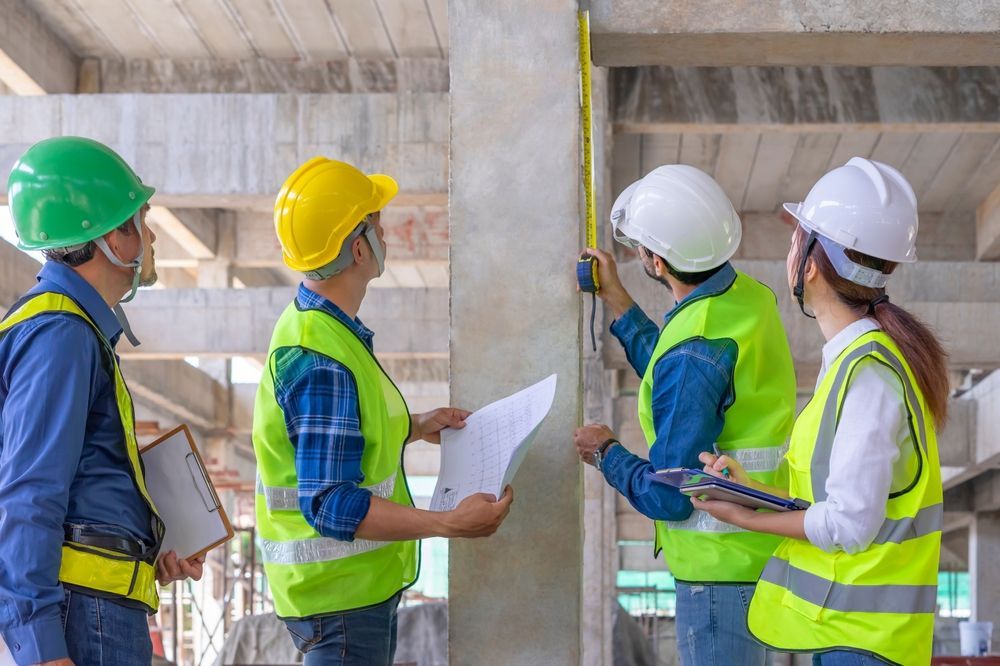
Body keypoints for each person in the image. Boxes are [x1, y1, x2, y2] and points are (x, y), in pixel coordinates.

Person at [253, 157, 514, 666]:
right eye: (377, 222)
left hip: (346, 598)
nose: (384, 233)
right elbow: (330, 504)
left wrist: (415, 427)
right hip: (340, 605)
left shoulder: (321, 330)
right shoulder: (320, 359)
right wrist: (447, 524)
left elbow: (337, 439)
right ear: (358, 247)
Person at [693, 157, 947, 666]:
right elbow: (834, 502)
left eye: (796, 239)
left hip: (864, 645)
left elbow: (849, 526)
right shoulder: (855, 365)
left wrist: (747, 518)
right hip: (849, 638)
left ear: (809, 263)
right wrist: (755, 492)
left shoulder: (870, 376)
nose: (790, 250)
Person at [573, 165, 796, 665]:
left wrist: (606, 454)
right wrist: (618, 302)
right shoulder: (746, 300)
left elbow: (671, 498)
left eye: (640, 249)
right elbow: (686, 367)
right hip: (757, 558)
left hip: (717, 576)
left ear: (655, 260)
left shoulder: (693, 350)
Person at [0, 137, 203, 666]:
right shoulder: (61, 334)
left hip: (96, 610)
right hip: (82, 619)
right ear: (112, 235)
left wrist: (144, 549)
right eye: (142, 218)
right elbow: (28, 494)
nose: (152, 234)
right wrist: (42, 648)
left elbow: (80, 495)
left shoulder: (75, 329)